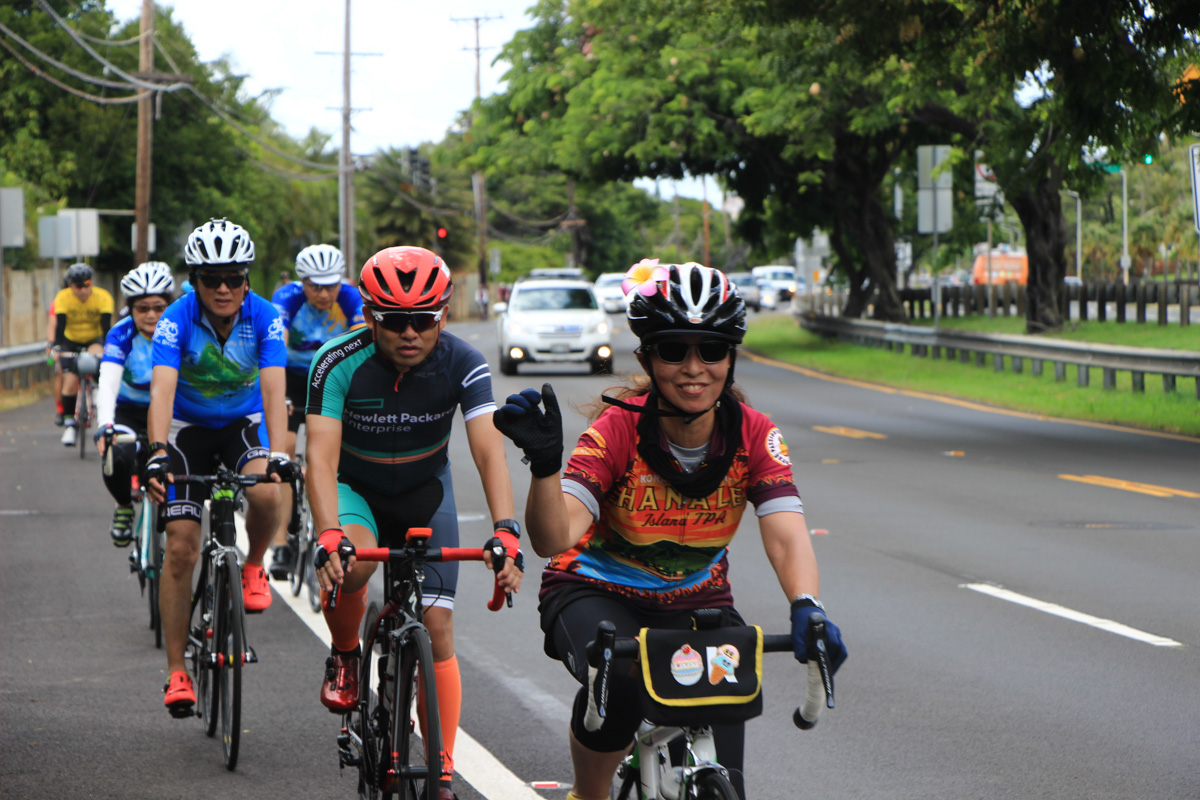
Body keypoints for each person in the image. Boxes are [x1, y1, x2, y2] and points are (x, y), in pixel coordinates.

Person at [493, 260, 848, 800]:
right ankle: (589, 795)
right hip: (594, 591)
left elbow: (785, 532)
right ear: (646, 357)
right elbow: (553, 538)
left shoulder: (755, 435)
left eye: (711, 350)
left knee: (727, 779)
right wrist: (545, 468)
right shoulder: (616, 430)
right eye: (673, 349)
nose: (693, 367)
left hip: (694, 600)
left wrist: (807, 604)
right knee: (623, 688)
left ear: (731, 358)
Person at [307, 245, 523, 800]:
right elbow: (321, 459)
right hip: (356, 491)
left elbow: (488, 452)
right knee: (351, 567)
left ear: (443, 315)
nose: (410, 332)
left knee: (441, 627)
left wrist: (505, 530)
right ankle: (347, 652)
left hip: (426, 494)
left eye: (423, 319)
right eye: (395, 320)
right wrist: (328, 532)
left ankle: (442, 770)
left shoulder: (464, 362)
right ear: (369, 317)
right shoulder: (336, 361)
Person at [142, 218, 293, 717]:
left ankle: (252, 568)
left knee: (269, 492)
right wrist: (157, 450)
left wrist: (278, 454)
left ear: (247, 278)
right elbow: (161, 389)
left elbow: (274, 389)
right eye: (212, 279)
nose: (223, 288)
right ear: (194, 281)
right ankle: (177, 671)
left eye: (233, 277)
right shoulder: (175, 318)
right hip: (188, 430)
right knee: (181, 547)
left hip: (243, 426)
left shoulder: (267, 316)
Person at [267, 243, 364, 578]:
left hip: (334, 379)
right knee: (284, 450)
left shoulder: (352, 297)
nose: (324, 294)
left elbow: (363, 341)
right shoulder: (287, 298)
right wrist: (277, 396)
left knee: (336, 453)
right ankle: (281, 543)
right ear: (301, 282)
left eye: (331, 285)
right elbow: (275, 348)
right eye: (315, 286)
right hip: (294, 378)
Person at [94, 262, 175, 545]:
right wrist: (105, 424)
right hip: (129, 410)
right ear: (131, 309)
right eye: (143, 308)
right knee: (116, 455)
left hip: (170, 410)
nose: (151, 315)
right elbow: (108, 382)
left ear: (170, 305)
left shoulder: (182, 330)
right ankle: (124, 506)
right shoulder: (121, 334)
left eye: (158, 306)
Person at [52, 263, 114, 446]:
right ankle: (70, 424)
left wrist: (107, 349)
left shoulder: (103, 297)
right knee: (69, 382)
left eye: (87, 284)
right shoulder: (62, 298)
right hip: (70, 339)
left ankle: (96, 391)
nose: (83, 290)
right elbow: (60, 326)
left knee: (98, 359)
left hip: (94, 339)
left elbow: (106, 327)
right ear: (71, 286)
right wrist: (56, 347)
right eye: (78, 286)